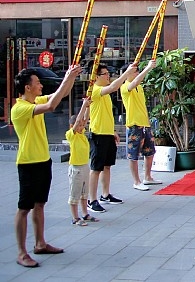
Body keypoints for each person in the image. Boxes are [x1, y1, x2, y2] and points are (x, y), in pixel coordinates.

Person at [12, 64, 81, 268]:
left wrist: (70, 77)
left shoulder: (36, 100)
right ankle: (21, 252)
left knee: (39, 204)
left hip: (43, 160)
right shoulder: (19, 109)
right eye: (37, 83)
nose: (41, 85)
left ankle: (40, 243)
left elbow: (61, 95)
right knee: (24, 208)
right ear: (27, 87)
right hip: (28, 163)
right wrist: (67, 77)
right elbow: (51, 106)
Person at [87, 64, 136, 213]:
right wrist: (126, 73)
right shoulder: (94, 90)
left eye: (108, 73)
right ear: (96, 76)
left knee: (107, 166)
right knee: (96, 168)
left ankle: (105, 194)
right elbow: (114, 87)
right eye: (105, 74)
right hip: (98, 134)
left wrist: (113, 131)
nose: (108, 76)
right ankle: (91, 200)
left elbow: (106, 115)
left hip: (107, 134)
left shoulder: (105, 94)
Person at [120, 60, 162, 191]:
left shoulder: (139, 87)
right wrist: (148, 68)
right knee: (133, 155)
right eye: (134, 71)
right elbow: (134, 83)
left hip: (144, 123)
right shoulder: (125, 87)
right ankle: (136, 181)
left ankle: (147, 177)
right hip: (134, 125)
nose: (137, 73)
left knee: (149, 151)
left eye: (137, 71)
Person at [66, 98, 100, 226]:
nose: (82, 127)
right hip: (76, 168)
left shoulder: (81, 134)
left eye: (82, 126)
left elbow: (85, 119)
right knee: (75, 193)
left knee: (84, 193)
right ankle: (75, 217)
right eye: (79, 125)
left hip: (85, 166)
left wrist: (88, 107)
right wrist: (83, 106)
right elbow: (79, 121)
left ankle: (85, 213)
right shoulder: (71, 135)